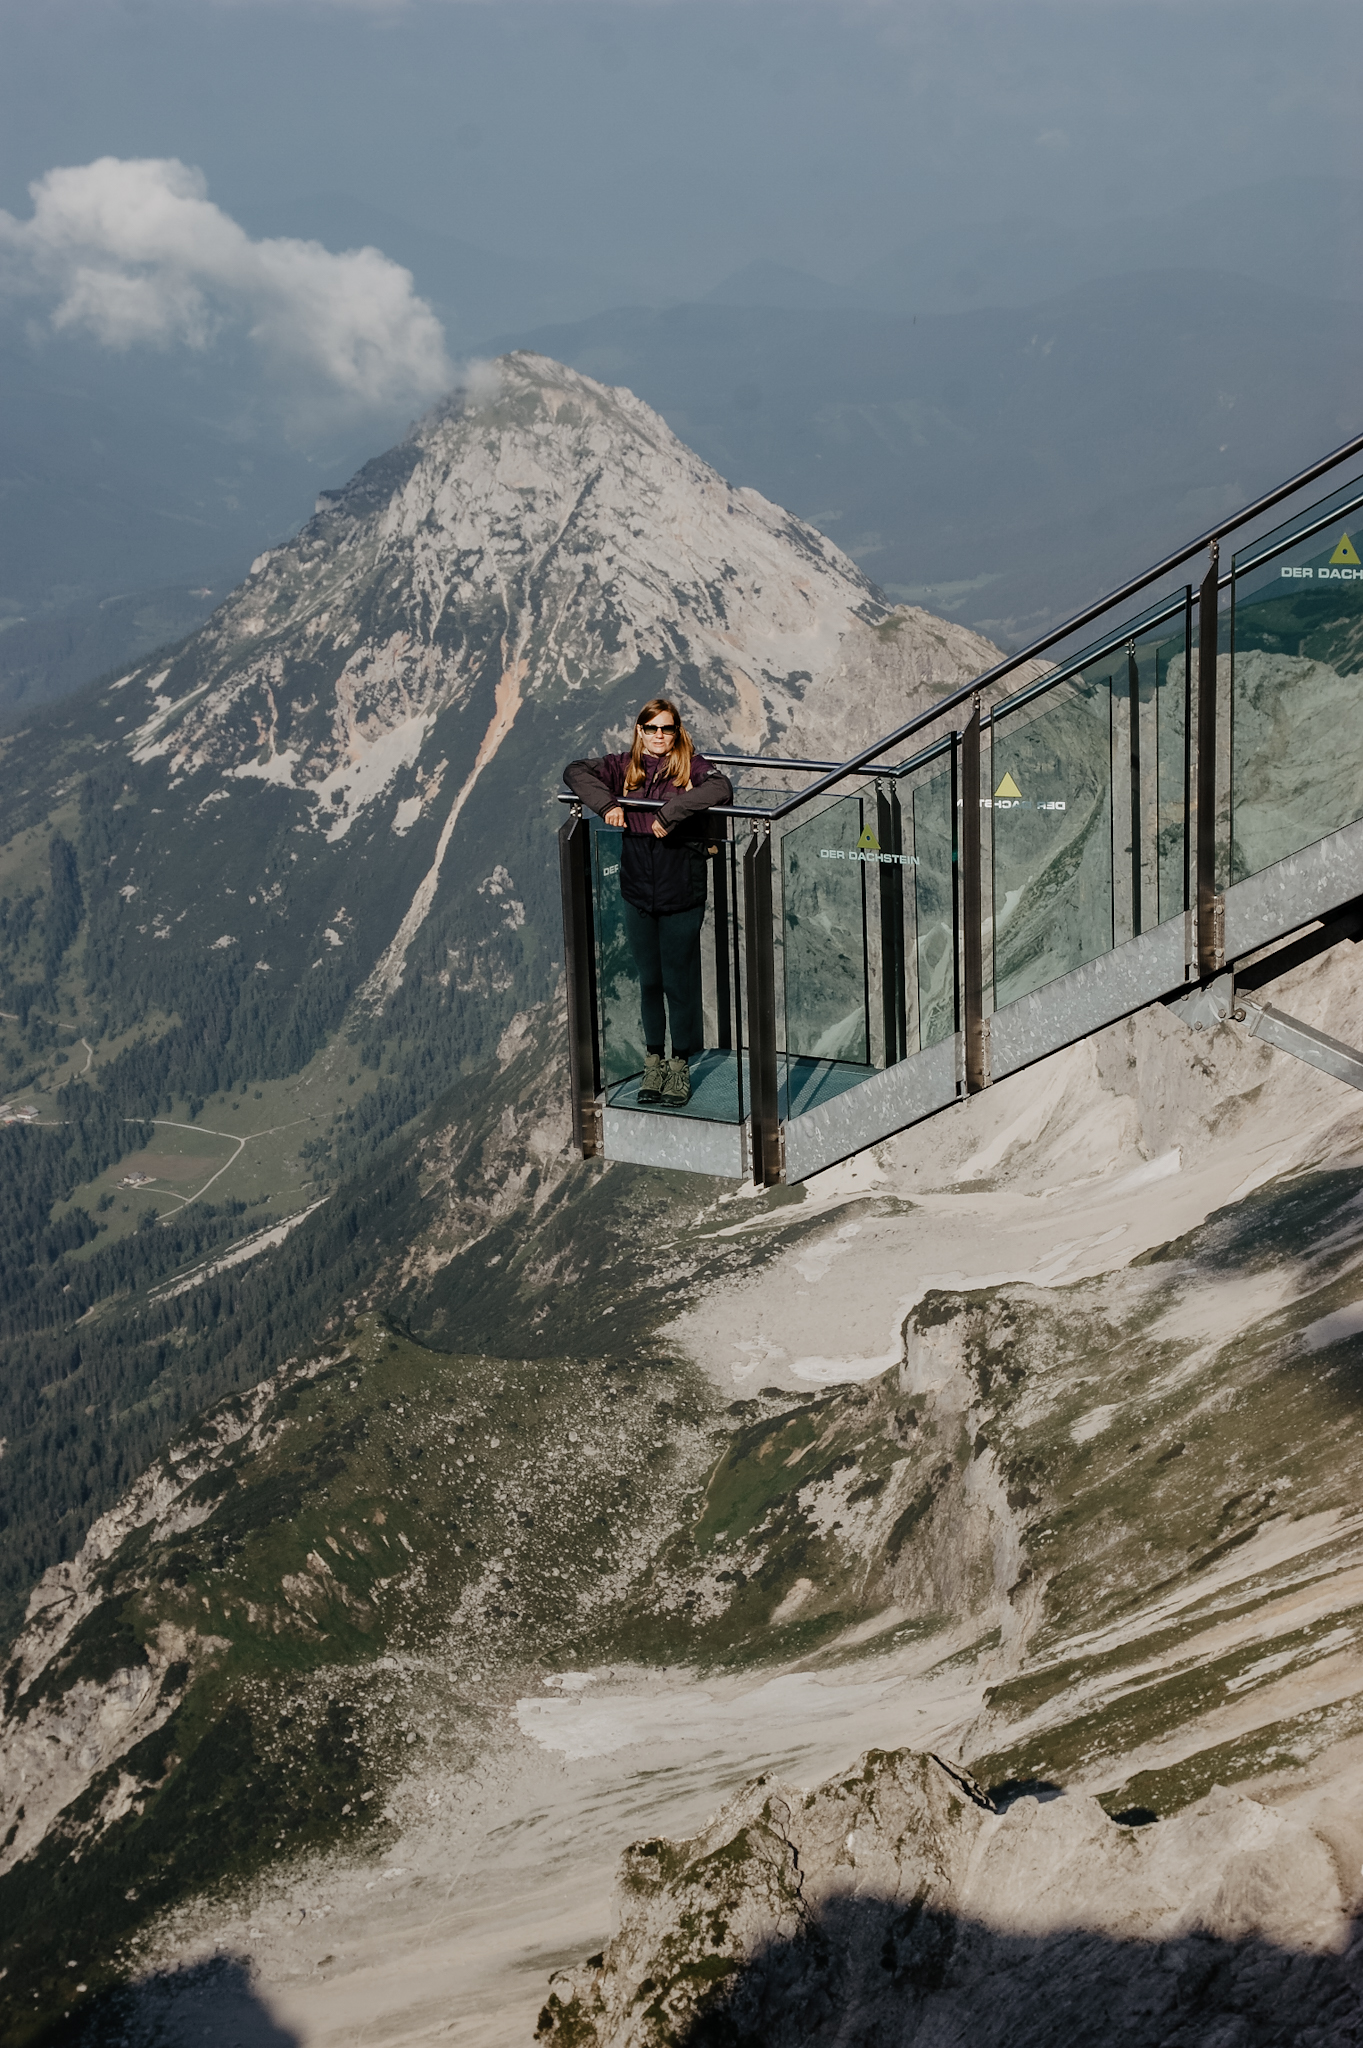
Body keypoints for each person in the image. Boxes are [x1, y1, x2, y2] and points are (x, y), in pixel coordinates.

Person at [565, 698, 733, 1106]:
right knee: (650, 982)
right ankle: (653, 1060)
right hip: (637, 893)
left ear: (677, 732)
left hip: (681, 893)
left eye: (667, 728)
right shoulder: (624, 766)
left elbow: (721, 787)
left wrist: (670, 812)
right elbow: (574, 772)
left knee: (678, 982)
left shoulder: (690, 764)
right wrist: (606, 805)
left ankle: (680, 1065)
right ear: (640, 730)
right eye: (652, 728)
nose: (660, 735)